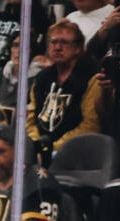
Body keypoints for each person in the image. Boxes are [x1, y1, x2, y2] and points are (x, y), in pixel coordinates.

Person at [27, 20, 103, 153]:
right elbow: (30, 118)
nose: (57, 47)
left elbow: (90, 125)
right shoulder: (42, 78)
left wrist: (53, 148)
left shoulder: (91, 76)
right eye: (53, 42)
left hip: (77, 153)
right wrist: (36, 145)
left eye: (64, 42)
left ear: (78, 48)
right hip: (39, 150)